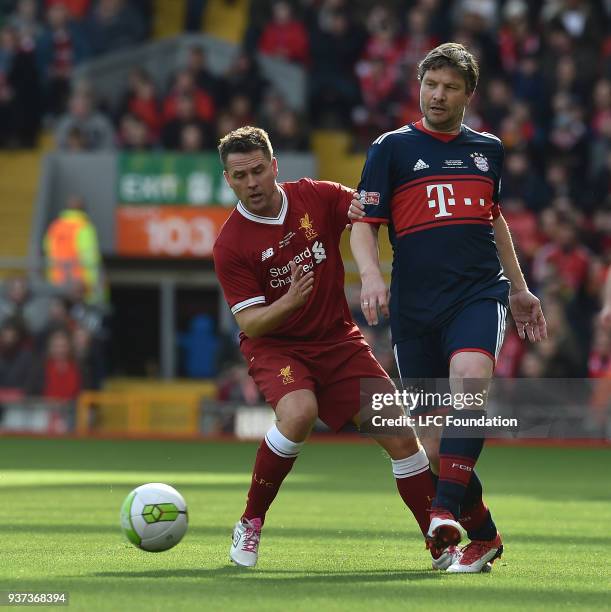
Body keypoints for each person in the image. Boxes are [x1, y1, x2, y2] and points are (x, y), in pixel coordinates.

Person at [213, 126, 451, 570]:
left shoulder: (314, 196)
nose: (251, 183)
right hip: (277, 348)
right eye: (240, 175)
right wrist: (290, 301)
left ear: (274, 167)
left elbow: (362, 208)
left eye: (258, 171)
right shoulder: (230, 245)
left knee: (402, 437)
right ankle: (250, 521)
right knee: (299, 412)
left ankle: (437, 540)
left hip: (337, 341)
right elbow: (249, 322)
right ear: (228, 179)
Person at [349, 42, 547, 573]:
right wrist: (370, 276)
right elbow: (363, 226)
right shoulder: (390, 148)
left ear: (468, 94)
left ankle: (442, 511)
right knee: (436, 447)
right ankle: (484, 537)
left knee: (470, 375)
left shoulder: (488, 149)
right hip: (414, 308)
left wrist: (520, 288)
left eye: (450, 87)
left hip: (478, 292)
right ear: (419, 87)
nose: (438, 95)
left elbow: (495, 217)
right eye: (430, 85)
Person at [43, 195, 103, 305]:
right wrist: (93, 285)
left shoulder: (55, 227)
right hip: (79, 285)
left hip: (57, 283)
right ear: (84, 208)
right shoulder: (84, 227)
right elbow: (90, 259)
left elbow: (48, 252)